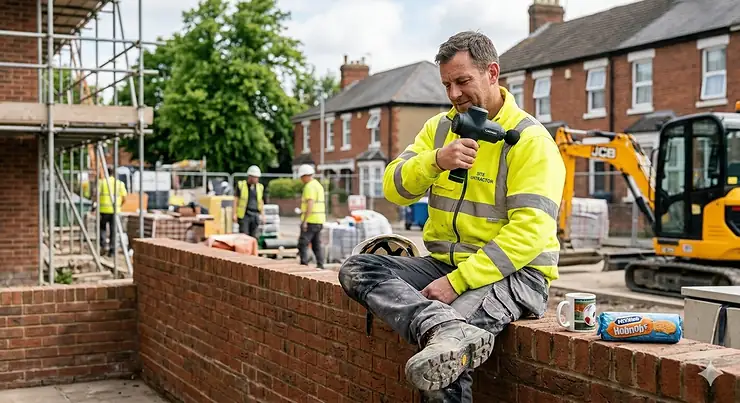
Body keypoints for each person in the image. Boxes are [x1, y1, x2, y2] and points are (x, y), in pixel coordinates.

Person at [338, 31, 566, 402]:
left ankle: (446, 332)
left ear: (492, 73)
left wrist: (459, 283)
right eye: (447, 85)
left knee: (443, 357)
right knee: (359, 269)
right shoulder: (440, 128)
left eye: (463, 81)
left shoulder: (530, 141)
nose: (454, 94)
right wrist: (435, 161)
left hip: (516, 274)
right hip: (445, 264)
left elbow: (531, 233)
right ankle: (443, 326)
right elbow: (393, 187)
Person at [297, 164, 326, 269]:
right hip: (319, 220)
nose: (301, 179)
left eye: (301, 176)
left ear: (305, 175)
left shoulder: (309, 186)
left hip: (311, 221)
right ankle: (320, 265)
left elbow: (310, 203)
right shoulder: (318, 185)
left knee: (303, 243)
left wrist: (305, 221)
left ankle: (303, 265)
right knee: (316, 245)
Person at [98, 166, 127, 257]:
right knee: (113, 231)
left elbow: (96, 195)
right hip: (115, 210)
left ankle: (103, 245)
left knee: (102, 229)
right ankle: (112, 251)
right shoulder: (119, 183)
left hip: (103, 210)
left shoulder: (102, 183)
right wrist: (119, 205)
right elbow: (124, 197)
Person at [234, 165, 265, 238]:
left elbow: (261, 201)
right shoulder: (241, 185)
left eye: (257, 177)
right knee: (244, 235)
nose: (256, 179)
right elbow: (236, 200)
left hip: (255, 215)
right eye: (255, 177)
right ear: (250, 176)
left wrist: (263, 215)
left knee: (254, 236)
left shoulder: (260, 187)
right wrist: (234, 213)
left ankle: (253, 249)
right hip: (244, 215)